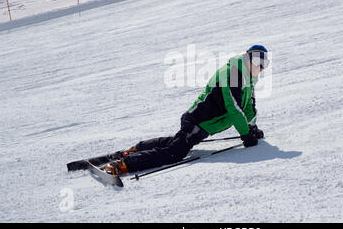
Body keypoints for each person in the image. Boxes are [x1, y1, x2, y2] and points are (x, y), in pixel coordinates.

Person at [103, 45, 270, 175]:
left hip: (204, 124)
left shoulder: (248, 79)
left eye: (264, 64)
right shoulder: (234, 73)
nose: (260, 67)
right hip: (199, 120)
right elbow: (233, 107)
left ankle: (136, 149)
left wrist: (251, 128)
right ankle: (123, 164)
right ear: (248, 59)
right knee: (175, 153)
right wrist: (245, 133)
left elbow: (249, 106)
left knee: (179, 141)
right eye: (257, 62)